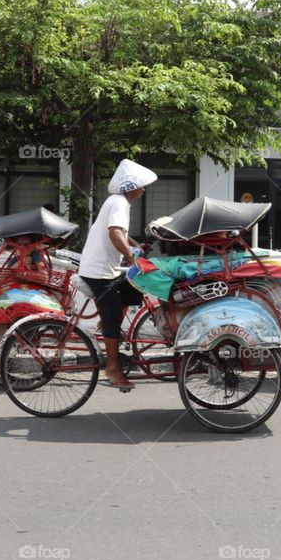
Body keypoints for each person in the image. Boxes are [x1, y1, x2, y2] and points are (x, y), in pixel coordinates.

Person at [78, 159, 157, 392]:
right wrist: (133, 260)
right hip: (99, 272)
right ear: (131, 186)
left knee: (132, 290)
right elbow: (114, 234)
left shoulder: (117, 202)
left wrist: (135, 246)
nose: (143, 190)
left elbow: (119, 233)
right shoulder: (119, 203)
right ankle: (113, 368)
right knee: (113, 315)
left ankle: (105, 323)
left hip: (102, 269)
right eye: (141, 186)